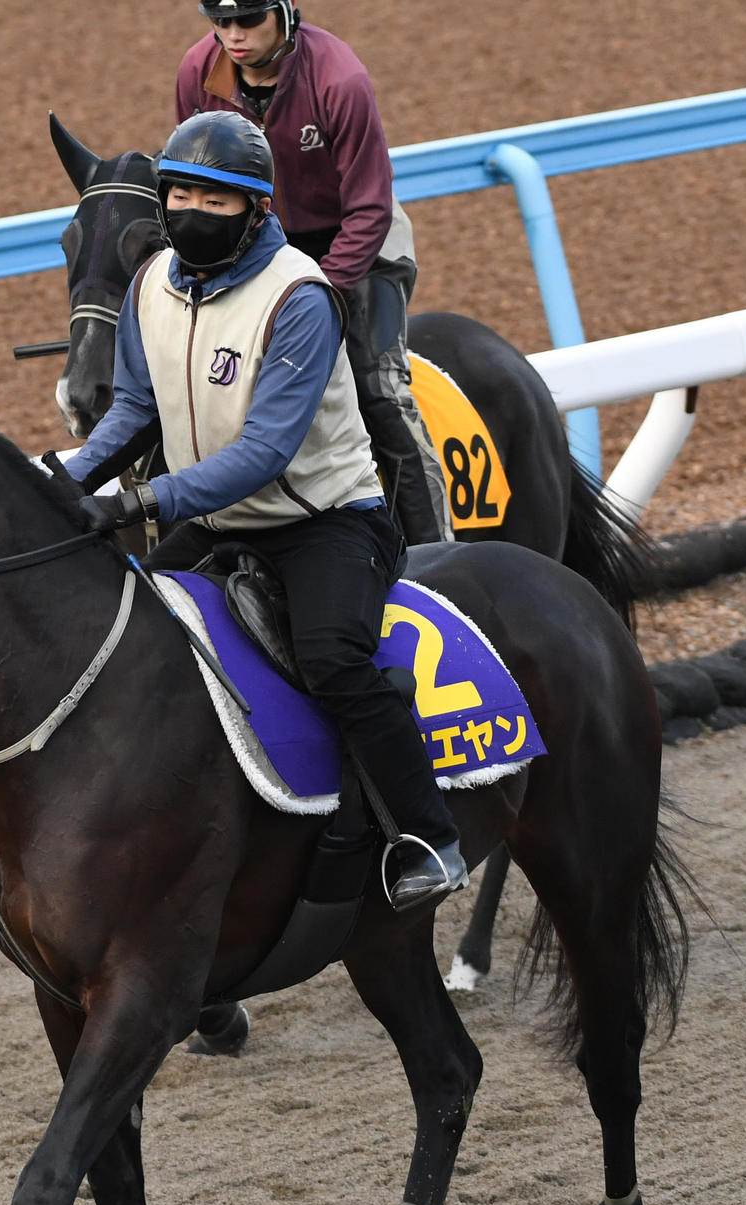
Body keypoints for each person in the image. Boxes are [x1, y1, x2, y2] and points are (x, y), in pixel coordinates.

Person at [63, 112, 466, 911]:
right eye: (177, 194)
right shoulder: (150, 287)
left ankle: (429, 836)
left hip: (326, 522)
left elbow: (265, 451)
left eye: (213, 200)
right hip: (216, 524)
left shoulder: (301, 297)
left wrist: (145, 498)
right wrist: (68, 479)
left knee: (334, 662)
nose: (188, 211)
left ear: (255, 209)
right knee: (121, 641)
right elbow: (134, 408)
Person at [175, 2, 452, 549]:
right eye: (220, 22)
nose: (233, 36)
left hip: (357, 241)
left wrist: (317, 299)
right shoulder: (194, 72)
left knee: (376, 389)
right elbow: (196, 183)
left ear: (283, 12)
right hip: (260, 243)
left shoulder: (340, 78)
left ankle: (437, 549)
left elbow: (370, 208)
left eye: (248, 21)